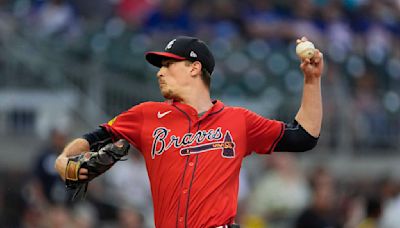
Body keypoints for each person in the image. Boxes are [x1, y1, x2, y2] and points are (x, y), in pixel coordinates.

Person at [55, 35, 324, 227]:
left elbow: (304, 137)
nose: (160, 73)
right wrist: (64, 160)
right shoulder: (145, 115)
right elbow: (91, 139)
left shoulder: (238, 121)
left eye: (168, 64)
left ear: (195, 68)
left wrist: (312, 81)